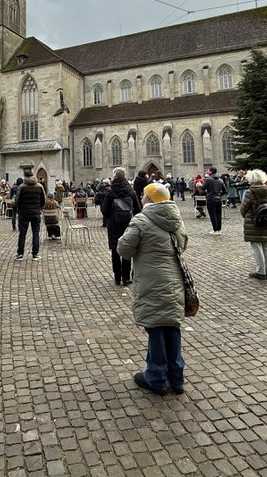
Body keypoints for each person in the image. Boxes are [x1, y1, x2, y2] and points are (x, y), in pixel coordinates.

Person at [117, 182, 187, 396]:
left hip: (152, 281)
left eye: (144, 195)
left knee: (156, 327)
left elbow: (124, 249)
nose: (142, 197)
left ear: (150, 198)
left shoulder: (141, 219)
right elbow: (182, 246)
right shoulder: (175, 219)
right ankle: (176, 378)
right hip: (174, 280)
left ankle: (156, 378)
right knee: (172, 327)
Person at [102, 167, 142, 285]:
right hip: (128, 224)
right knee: (127, 249)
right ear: (124, 176)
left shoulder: (110, 191)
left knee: (115, 250)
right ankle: (126, 277)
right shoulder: (131, 191)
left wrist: (111, 218)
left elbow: (105, 210)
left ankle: (117, 278)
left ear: (114, 176)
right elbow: (138, 210)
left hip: (114, 225)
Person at [239, 169, 267, 280]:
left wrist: (247, 216)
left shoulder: (250, 192)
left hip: (253, 222)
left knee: (257, 247)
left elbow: (244, 208)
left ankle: (261, 271)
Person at [14, 169, 45, 261]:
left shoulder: (22, 187)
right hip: (35, 212)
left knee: (22, 234)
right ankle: (35, 254)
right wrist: (38, 207)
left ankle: (20, 254)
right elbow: (43, 200)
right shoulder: (39, 186)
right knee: (36, 233)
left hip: (24, 213)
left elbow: (17, 200)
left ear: (25, 176)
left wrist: (20, 208)